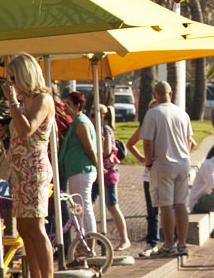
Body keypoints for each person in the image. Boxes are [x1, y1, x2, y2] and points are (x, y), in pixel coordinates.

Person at [2, 53, 58, 278]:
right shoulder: (25, 101)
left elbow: (27, 129)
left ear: (24, 76)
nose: (11, 84)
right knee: (24, 228)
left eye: (13, 79)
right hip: (20, 170)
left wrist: (12, 102)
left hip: (34, 170)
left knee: (36, 227)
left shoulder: (43, 99)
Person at [141, 81, 195, 256]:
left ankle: (169, 244)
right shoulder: (182, 113)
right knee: (181, 205)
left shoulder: (152, 113)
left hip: (163, 164)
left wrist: (148, 162)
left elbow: (148, 143)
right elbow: (189, 140)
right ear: (170, 94)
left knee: (165, 206)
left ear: (154, 95)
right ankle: (182, 244)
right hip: (182, 163)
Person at [59, 91, 98, 234]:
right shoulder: (76, 122)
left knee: (84, 207)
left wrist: (98, 165)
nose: (65, 107)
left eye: (68, 104)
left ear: (77, 106)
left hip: (81, 170)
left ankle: (90, 240)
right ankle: (84, 239)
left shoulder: (81, 123)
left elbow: (89, 147)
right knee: (80, 207)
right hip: (76, 170)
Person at [127, 100, 161, 257]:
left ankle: (171, 240)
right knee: (152, 211)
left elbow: (191, 141)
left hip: (164, 170)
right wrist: (144, 160)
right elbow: (130, 144)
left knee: (168, 208)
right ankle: (152, 242)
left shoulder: (166, 125)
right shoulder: (145, 127)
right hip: (150, 173)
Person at [98, 105, 132, 251]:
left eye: (94, 114)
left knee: (112, 205)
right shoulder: (101, 129)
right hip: (101, 173)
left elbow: (106, 150)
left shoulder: (105, 130)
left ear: (104, 116)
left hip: (108, 172)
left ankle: (125, 239)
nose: (92, 117)